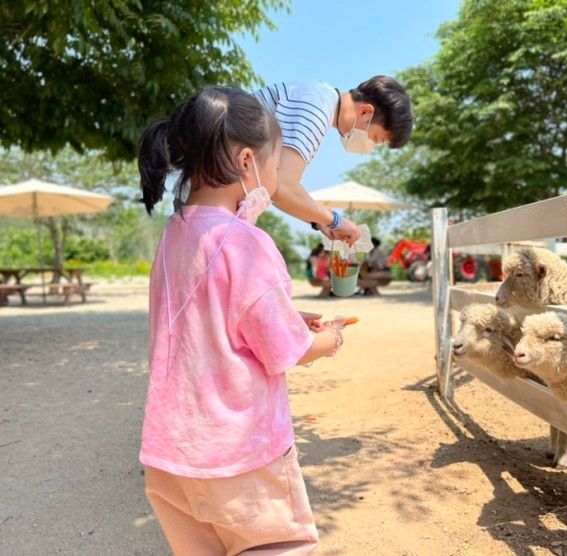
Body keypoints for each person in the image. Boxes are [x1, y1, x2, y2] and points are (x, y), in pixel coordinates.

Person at [138, 86, 344, 554]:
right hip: (239, 454)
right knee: (278, 545)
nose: (275, 178)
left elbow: (207, 316)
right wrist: (328, 340)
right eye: (276, 165)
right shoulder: (246, 243)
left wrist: (288, 315)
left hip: (171, 456)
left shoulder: (174, 235)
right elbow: (284, 350)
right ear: (249, 161)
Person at [175, 76, 414, 245]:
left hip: (205, 200)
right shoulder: (317, 110)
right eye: (374, 138)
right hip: (213, 206)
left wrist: (319, 221)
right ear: (365, 112)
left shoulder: (317, 96)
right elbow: (281, 188)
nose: (367, 147)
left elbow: (279, 184)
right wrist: (336, 220)